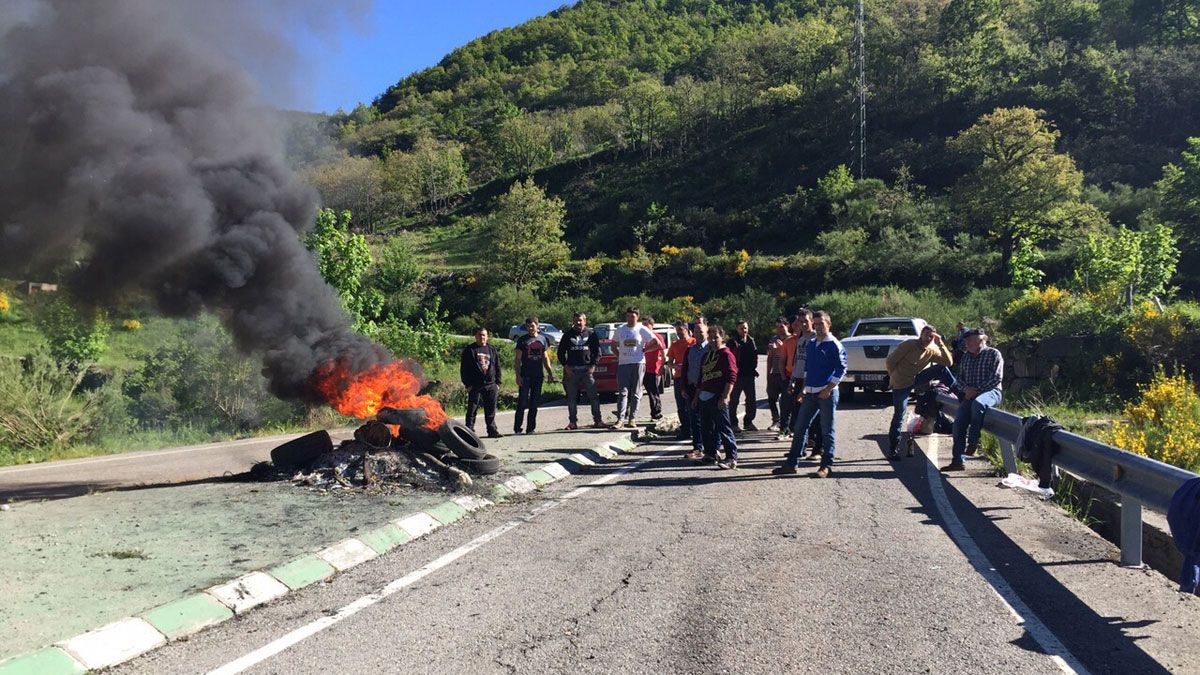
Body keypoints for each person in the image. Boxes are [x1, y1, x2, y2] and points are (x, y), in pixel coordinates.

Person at [773, 310, 847, 478]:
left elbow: (842, 369)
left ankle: (826, 466)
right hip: (810, 393)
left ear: (829, 324)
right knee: (799, 428)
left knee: (827, 430)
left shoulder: (834, 344)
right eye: (817, 323)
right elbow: (808, 369)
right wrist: (803, 390)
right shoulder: (812, 344)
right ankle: (791, 464)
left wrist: (828, 389)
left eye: (822, 323)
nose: (819, 326)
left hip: (827, 394)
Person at [884, 325, 953, 459]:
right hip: (901, 383)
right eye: (926, 334)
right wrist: (893, 376)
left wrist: (940, 344)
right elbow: (890, 361)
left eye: (931, 336)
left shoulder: (930, 351)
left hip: (915, 380)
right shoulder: (909, 345)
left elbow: (948, 362)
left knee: (942, 369)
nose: (928, 338)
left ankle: (958, 390)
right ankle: (893, 449)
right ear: (921, 334)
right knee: (899, 415)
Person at [941, 328, 1003, 472]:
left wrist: (976, 390)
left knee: (978, 403)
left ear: (981, 340)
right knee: (958, 425)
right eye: (966, 341)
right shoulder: (966, 357)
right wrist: (966, 390)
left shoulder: (993, 354)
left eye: (970, 341)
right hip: (969, 394)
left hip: (991, 391)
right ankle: (957, 461)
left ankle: (974, 442)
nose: (966, 344)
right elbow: (959, 378)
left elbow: (996, 378)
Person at [695, 324, 739, 469]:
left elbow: (731, 377)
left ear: (722, 338)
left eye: (716, 337)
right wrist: (696, 397)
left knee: (724, 428)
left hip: (717, 396)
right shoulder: (706, 356)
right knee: (707, 429)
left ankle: (731, 457)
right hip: (704, 397)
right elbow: (701, 379)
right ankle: (710, 454)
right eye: (711, 337)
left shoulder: (726, 354)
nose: (713, 340)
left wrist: (725, 396)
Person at [612, 306, 658, 428]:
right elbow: (613, 345)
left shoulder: (642, 329)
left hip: (638, 363)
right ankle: (620, 419)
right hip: (623, 364)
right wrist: (619, 356)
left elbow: (656, 342)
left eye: (633, 316)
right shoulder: (620, 329)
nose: (630, 319)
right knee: (623, 392)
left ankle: (632, 418)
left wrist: (645, 350)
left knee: (636, 393)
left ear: (637, 317)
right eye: (628, 316)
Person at [558, 311, 603, 430]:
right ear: (573, 321)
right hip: (572, 370)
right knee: (572, 398)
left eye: (580, 320)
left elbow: (597, 352)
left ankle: (598, 420)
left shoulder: (591, 334)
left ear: (585, 321)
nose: (578, 322)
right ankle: (572, 422)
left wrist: (593, 365)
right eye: (576, 320)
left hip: (587, 370)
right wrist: (565, 366)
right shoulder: (567, 335)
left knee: (593, 397)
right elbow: (560, 352)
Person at [514, 316, 557, 435]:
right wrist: (518, 375)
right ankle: (518, 428)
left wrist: (550, 373)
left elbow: (545, 357)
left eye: (532, 326)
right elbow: (517, 359)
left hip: (538, 376)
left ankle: (530, 428)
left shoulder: (543, 339)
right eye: (528, 326)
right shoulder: (522, 340)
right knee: (522, 402)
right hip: (525, 375)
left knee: (534, 403)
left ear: (537, 326)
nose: (530, 328)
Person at [460, 327, 502, 438]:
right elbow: (464, 369)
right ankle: (469, 431)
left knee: (491, 409)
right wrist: (467, 384)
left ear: (487, 336)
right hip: (475, 385)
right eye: (479, 335)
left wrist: (498, 383)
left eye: (484, 335)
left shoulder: (491, 349)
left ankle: (492, 430)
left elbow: (497, 366)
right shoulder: (470, 350)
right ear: (476, 336)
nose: (482, 337)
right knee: (472, 409)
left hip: (491, 384)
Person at [682, 316, 710, 458]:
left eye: (701, 331)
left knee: (707, 419)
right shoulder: (690, 350)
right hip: (692, 388)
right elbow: (685, 369)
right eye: (696, 331)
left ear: (707, 330)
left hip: (707, 389)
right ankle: (697, 447)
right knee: (694, 419)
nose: (699, 334)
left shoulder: (712, 349)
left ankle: (710, 447)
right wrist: (684, 388)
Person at [727, 319, 759, 432]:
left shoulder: (751, 340)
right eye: (741, 328)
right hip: (737, 376)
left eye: (745, 327)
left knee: (751, 400)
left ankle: (748, 422)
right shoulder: (732, 342)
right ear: (737, 329)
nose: (744, 330)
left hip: (749, 375)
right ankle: (734, 424)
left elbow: (755, 356)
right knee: (734, 400)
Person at [666, 321, 696, 441]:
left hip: (691, 378)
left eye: (681, 331)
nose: (679, 333)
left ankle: (695, 429)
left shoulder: (693, 342)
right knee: (681, 406)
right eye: (677, 331)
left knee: (692, 405)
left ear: (687, 330)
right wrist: (676, 366)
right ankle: (685, 430)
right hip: (679, 378)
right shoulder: (674, 344)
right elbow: (669, 363)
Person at [765, 316, 791, 431]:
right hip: (775, 373)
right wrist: (768, 374)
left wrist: (779, 349)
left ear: (787, 325)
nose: (779, 329)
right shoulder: (773, 339)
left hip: (786, 373)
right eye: (777, 327)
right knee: (771, 398)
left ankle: (786, 424)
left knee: (786, 401)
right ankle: (776, 420)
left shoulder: (791, 339)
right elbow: (770, 358)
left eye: (782, 326)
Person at [640, 315, 667, 420]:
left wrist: (662, 366)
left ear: (652, 326)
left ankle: (656, 412)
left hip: (652, 369)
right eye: (643, 325)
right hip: (641, 367)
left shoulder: (657, 337)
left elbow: (663, 353)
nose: (645, 327)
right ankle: (627, 412)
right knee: (634, 390)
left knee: (652, 392)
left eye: (646, 325)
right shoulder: (641, 338)